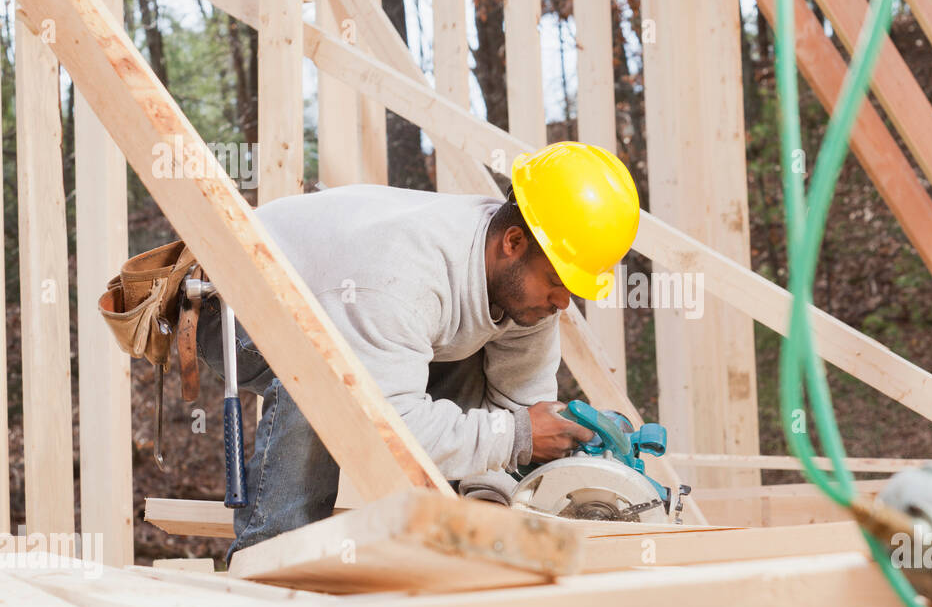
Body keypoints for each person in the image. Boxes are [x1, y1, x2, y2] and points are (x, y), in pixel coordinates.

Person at [195, 141, 640, 560]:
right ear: (514, 243)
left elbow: (517, 417)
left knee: (473, 378)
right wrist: (519, 435)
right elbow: (388, 429)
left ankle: (443, 540)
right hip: (236, 300)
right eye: (558, 283)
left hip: (357, 312)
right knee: (327, 377)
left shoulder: (524, 293)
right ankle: (272, 555)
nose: (564, 303)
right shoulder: (403, 276)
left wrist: (505, 492)